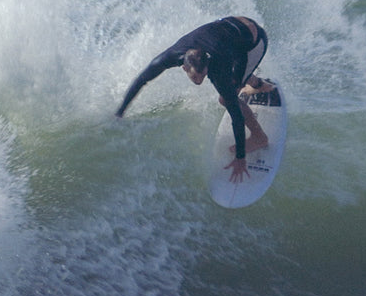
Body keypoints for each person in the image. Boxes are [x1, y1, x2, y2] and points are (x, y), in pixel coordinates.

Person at [115, 16, 272, 183]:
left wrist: (240, 158)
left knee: (226, 99)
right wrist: (120, 112)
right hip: (232, 32)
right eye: (195, 77)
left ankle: (259, 137)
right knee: (233, 83)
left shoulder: (217, 67)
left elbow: (236, 116)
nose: (200, 81)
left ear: (207, 66)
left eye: (203, 75)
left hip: (253, 42)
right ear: (184, 68)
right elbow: (142, 80)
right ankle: (256, 83)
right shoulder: (172, 55)